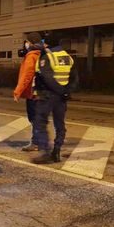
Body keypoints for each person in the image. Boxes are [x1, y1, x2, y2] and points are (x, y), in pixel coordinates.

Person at [32, 33, 79, 164]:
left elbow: (48, 78)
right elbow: (74, 78)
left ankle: (46, 152)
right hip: (61, 97)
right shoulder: (68, 57)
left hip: (48, 95)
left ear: (46, 44)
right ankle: (56, 151)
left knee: (40, 122)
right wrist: (66, 91)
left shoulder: (48, 57)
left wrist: (60, 91)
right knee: (60, 124)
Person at [13, 32, 43, 152]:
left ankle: (36, 143)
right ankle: (40, 141)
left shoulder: (31, 56)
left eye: (26, 41)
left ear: (30, 43)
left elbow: (26, 76)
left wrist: (17, 92)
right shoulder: (43, 54)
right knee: (39, 117)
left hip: (33, 93)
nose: (25, 44)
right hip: (42, 91)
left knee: (34, 117)